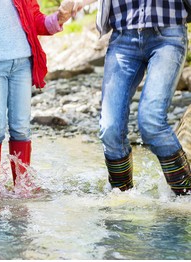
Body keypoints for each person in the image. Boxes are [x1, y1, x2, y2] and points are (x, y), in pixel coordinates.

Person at [0, 0, 82, 191]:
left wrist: (59, 18)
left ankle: (22, 185)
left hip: (22, 65)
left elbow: (36, 20)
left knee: (21, 128)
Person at [80, 0, 191, 196]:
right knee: (110, 129)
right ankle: (123, 200)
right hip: (123, 37)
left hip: (168, 34)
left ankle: (185, 195)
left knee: (151, 121)